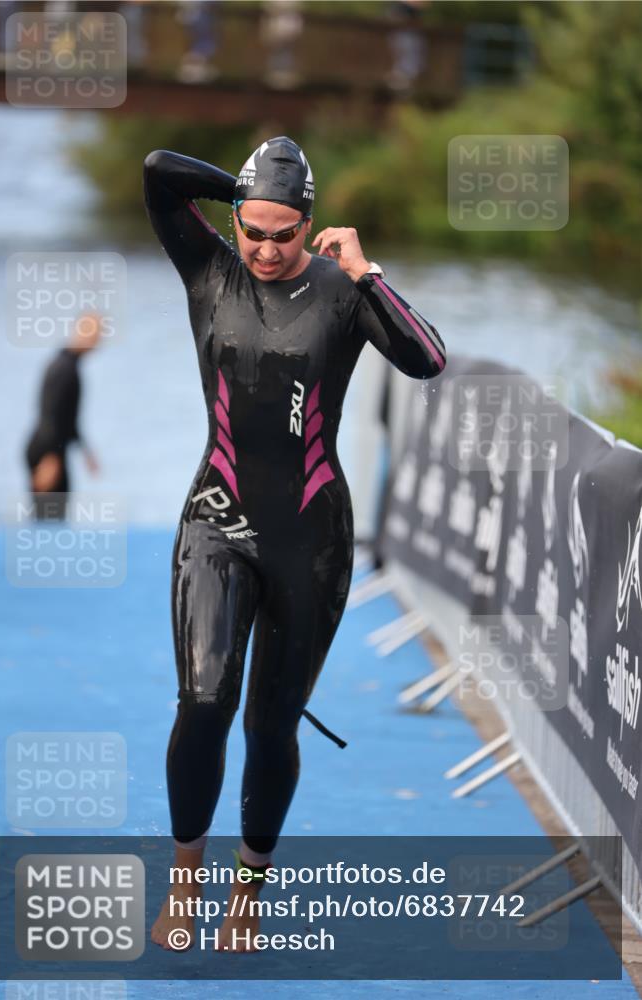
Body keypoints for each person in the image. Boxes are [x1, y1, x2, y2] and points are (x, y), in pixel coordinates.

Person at [143, 136, 446, 952]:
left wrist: (365, 272)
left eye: (285, 233)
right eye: (254, 230)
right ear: (236, 221)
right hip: (216, 519)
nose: (267, 248)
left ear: (309, 226)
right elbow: (158, 172)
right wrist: (244, 191)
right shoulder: (209, 271)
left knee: (269, 727)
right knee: (204, 701)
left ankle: (248, 888)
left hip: (310, 537)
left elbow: (427, 360)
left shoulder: (342, 292)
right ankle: (186, 879)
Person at [24, 313, 101, 519]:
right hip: (46, 449)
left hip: (53, 447)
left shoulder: (69, 364)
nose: (97, 340)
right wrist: (50, 458)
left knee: (53, 515)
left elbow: (68, 419)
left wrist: (85, 451)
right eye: (93, 332)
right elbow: (49, 413)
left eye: (99, 334)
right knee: (48, 517)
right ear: (79, 331)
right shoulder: (63, 368)